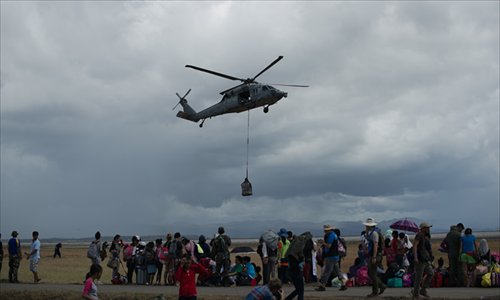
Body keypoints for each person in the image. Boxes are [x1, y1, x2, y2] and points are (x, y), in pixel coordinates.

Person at [315, 224, 347, 292]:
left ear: (329, 230)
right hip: (335, 256)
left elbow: (329, 246)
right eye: (325, 230)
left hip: (331, 256)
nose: (325, 231)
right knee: (338, 271)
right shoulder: (333, 235)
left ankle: (322, 286)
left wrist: (323, 242)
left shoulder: (331, 236)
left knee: (327, 271)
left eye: (326, 230)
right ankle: (343, 284)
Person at [363, 218, 386, 297]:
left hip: (375, 255)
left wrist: (374, 257)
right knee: (372, 273)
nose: (365, 226)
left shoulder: (374, 233)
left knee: (371, 273)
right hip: (375, 255)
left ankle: (376, 290)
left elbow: (376, 245)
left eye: (366, 225)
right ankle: (379, 287)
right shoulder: (373, 232)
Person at [411, 222, 434, 299]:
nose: (428, 229)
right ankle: (416, 294)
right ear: (423, 228)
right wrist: (415, 257)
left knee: (431, 273)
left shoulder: (425, 236)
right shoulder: (419, 235)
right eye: (427, 228)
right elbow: (415, 246)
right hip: (420, 259)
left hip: (425, 259)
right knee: (419, 277)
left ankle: (423, 290)